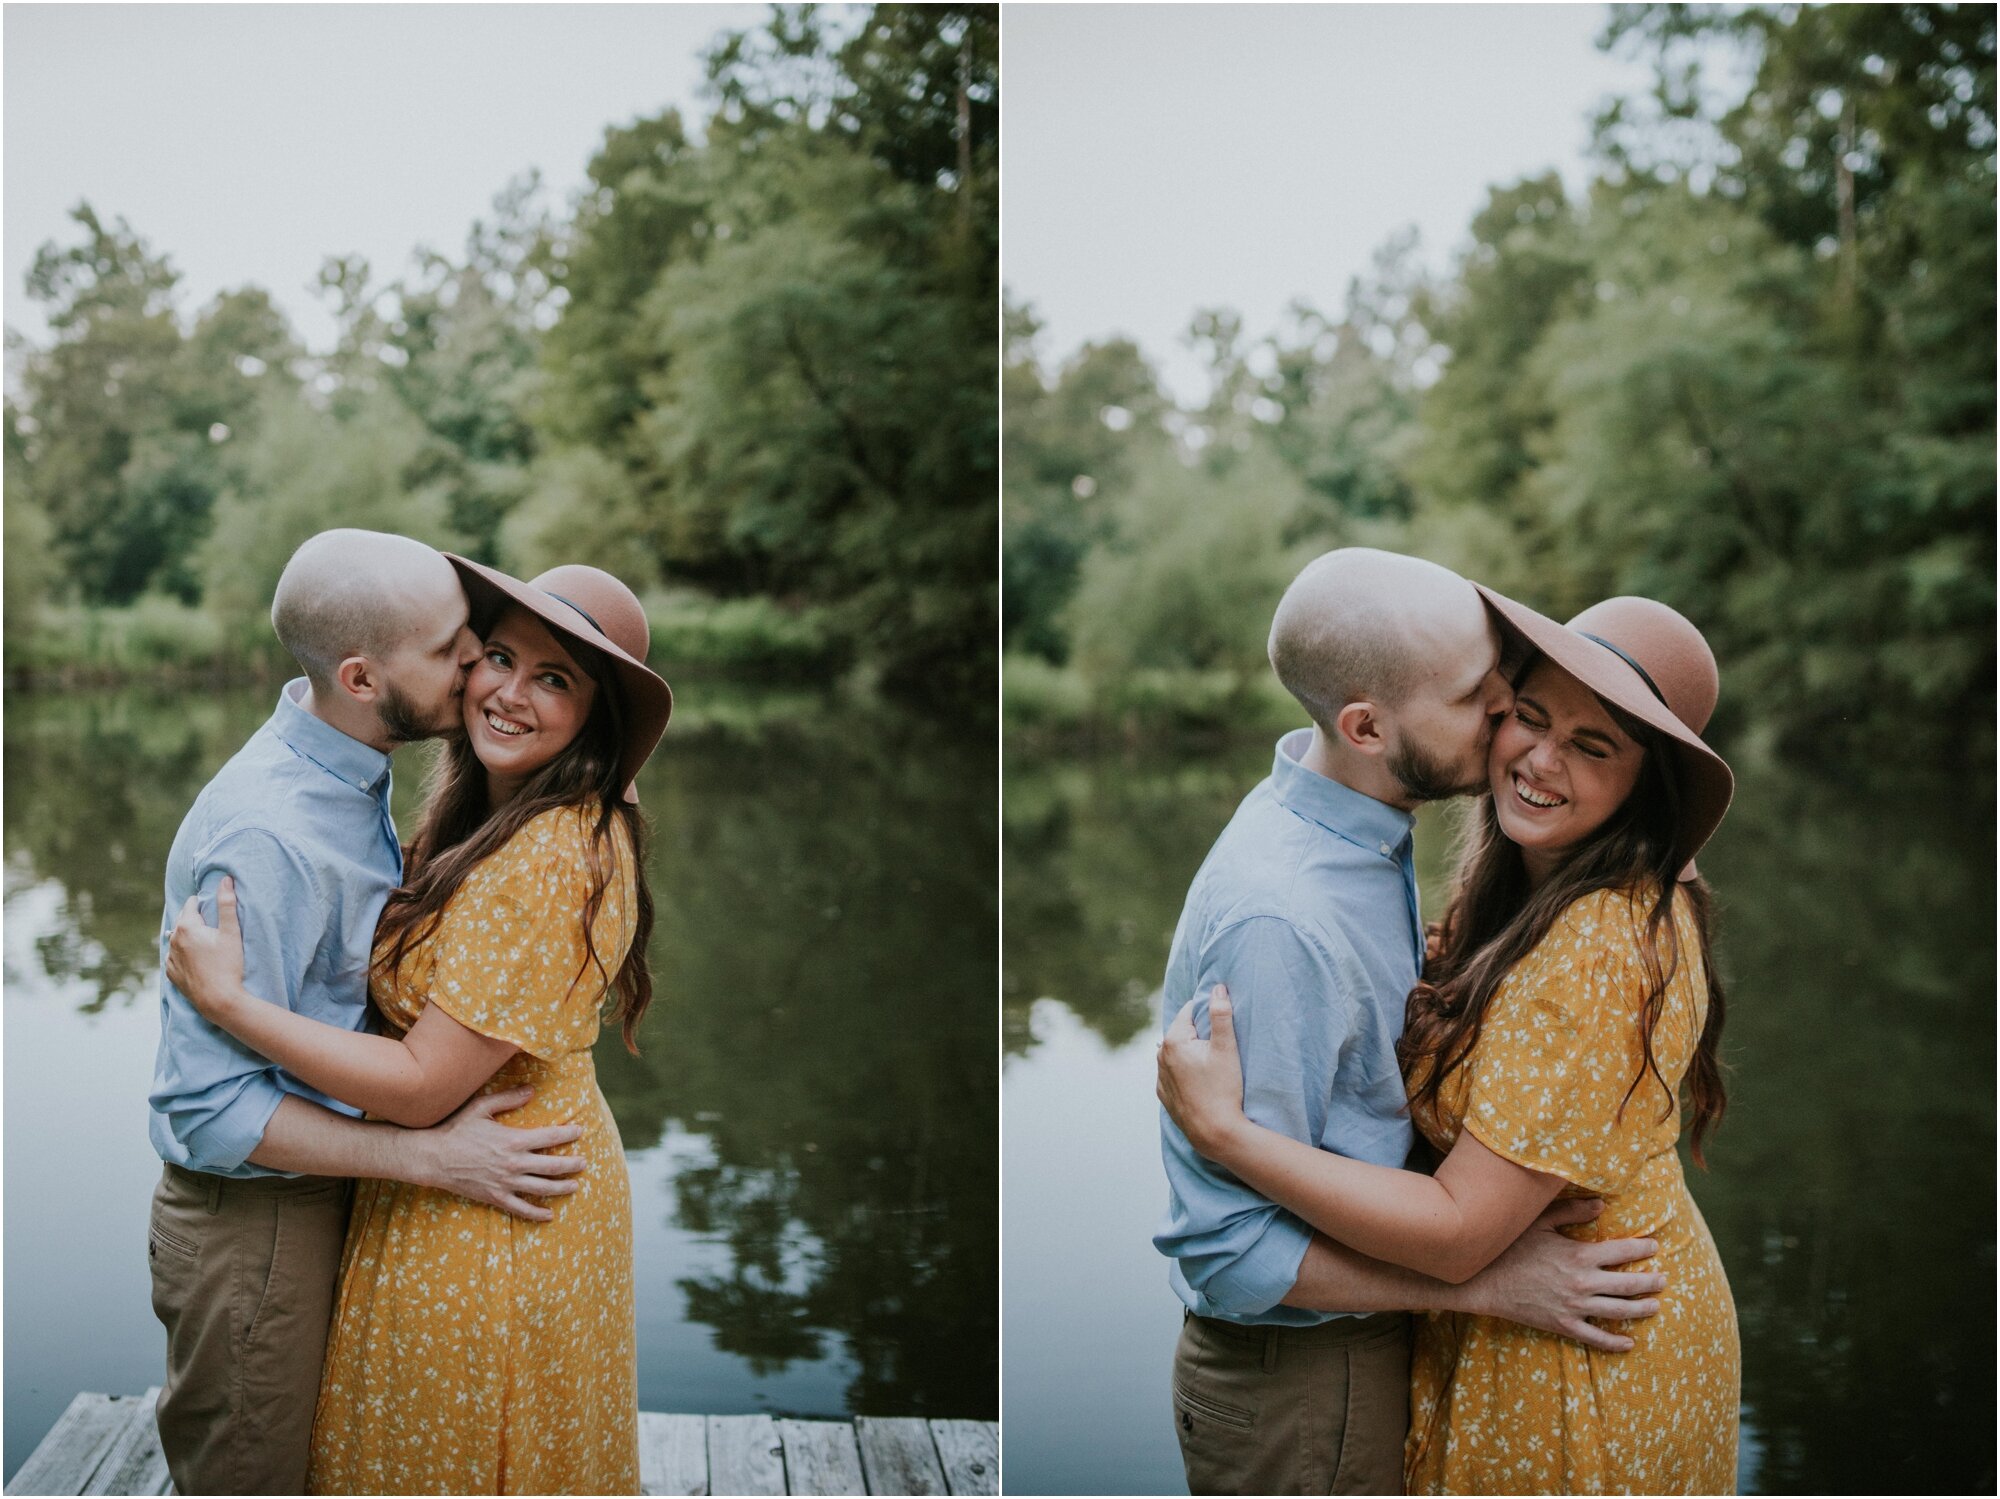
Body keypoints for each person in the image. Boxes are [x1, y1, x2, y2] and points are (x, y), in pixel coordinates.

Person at [1159, 588, 1740, 1494]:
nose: (1535, 755)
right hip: (1519, 1318)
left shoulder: (1597, 939)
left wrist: (1230, 1135)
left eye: (1593, 746)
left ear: (1644, 784)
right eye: (1522, 713)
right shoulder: (1511, 887)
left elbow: (1465, 1234)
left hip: (1577, 1349)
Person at [167, 555, 673, 1495]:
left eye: (555, 677)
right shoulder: (484, 808)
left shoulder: (552, 850)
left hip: (491, 1201)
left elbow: (426, 1082)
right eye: (495, 655)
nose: (506, 691)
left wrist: (232, 1003)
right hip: (454, 1179)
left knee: (460, 1456)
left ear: (596, 716)